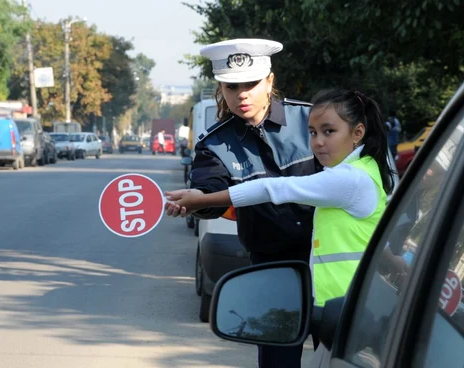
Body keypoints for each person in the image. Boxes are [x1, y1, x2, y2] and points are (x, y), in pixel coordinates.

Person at [166, 88, 397, 366]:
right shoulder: (363, 167)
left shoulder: (349, 179)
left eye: (329, 132)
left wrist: (203, 199)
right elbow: (362, 238)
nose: (318, 143)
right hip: (342, 305)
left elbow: (275, 187)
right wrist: (396, 263)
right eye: (312, 133)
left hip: (347, 308)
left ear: (357, 133)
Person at [164, 38, 320, 367]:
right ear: (221, 88)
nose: (242, 94)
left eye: (251, 83)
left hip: (332, 262)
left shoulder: (313, 123)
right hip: (272, 268)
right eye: (232, 86)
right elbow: (209, 195)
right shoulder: (215, 144)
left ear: (270, 82)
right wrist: (195, 203)